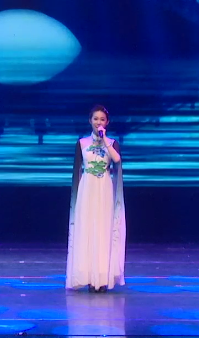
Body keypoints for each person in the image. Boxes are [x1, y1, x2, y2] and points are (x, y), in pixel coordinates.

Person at [66, 105, 126, 292]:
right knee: (87, 230)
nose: (98, 122)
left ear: (107, 122)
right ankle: (88, 276)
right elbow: (77, 171)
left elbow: (117, 160)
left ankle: (101, 277)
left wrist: (105, 140)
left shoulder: (112, 142)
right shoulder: (82, 143)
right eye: (95, 119)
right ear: (90, 121)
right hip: (87, 190)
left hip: (104, 189)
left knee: (103, 230)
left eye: (102, 119)